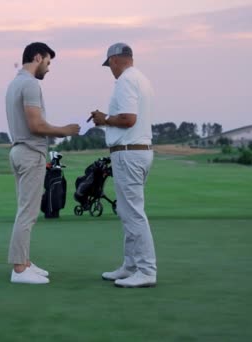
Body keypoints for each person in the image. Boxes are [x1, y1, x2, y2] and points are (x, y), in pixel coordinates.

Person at [5, 42, 80, 284]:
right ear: (37, 57)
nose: (48, 69)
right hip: (30, 153)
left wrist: (54, 132)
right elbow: (36, 125)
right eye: (47, 63)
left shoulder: (15, 83)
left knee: (24, 211)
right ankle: (19, 269)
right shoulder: (30, 84)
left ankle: (24, 261)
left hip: (19, 150)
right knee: (28, 213)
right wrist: (64, 130)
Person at [90, 42, 157, 288]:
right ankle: (130, 266)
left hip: (129, 153)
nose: (110, 69)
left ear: (116, 60)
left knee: (133, 213)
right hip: (138, 151)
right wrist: (107, 120)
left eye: (110, 65)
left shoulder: (126, 81)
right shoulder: (142, 79)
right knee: (127, 211)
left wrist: (104, 119)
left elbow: (129, 119)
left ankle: (146, 270)